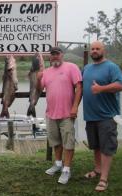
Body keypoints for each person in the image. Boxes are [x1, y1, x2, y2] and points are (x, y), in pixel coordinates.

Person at [82, 41, 122, 192]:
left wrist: (101, 88)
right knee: (96, 146)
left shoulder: (111, 67)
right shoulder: (86, 68)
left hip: (107, 116)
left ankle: (103, 179)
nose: (94, 51)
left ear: (103, 51)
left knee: (107, 148)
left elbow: (121, 85)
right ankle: (97, 170)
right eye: (92, 48)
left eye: (97, 49)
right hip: (90, 116)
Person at [38, 47, 82, 184]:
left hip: (67, 113)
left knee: (68, 142)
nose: (55, 57)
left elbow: (79, 87)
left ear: (62, 55)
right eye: (52, 55)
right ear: (49, 57)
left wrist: (75, 107)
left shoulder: (72, 67)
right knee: (55, 141)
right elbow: (39, 90)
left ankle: (66, 169)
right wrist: (38, 78)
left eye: (57, 54)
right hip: (51, 113)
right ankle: (58, 164)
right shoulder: (46, 72)